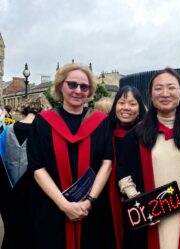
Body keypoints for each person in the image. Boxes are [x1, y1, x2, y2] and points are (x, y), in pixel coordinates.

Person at [116, 68, 180, 249]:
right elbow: (123, 171)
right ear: (150, 95)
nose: (165, 93)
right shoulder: (135, 135)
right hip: (150, 220)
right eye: (158, 88)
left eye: (171, 88)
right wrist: (140, 203)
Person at [26, 63, 116, 249]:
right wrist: (64, 205)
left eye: (84, 86)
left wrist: (89, 201)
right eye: (72, 84)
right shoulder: (42, 123)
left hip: (92, 210)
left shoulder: (102, 123)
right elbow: (37, 168)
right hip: (52, 207)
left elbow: (107, 163)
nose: (78, 90)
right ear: (60, 87)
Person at [0, 95, 51, 249]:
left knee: (11, 233)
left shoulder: (6, 131)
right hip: (36, 192)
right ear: (44, 110)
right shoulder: (45, 132)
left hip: (8, 192)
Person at [108, 85, 146, 249]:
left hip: (139, 198)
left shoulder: (148, 133)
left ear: (140, 108)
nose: (126, 108)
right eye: (122, 103)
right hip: (108, 198)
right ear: (115, 105)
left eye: (132, 104)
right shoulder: (104, 131)